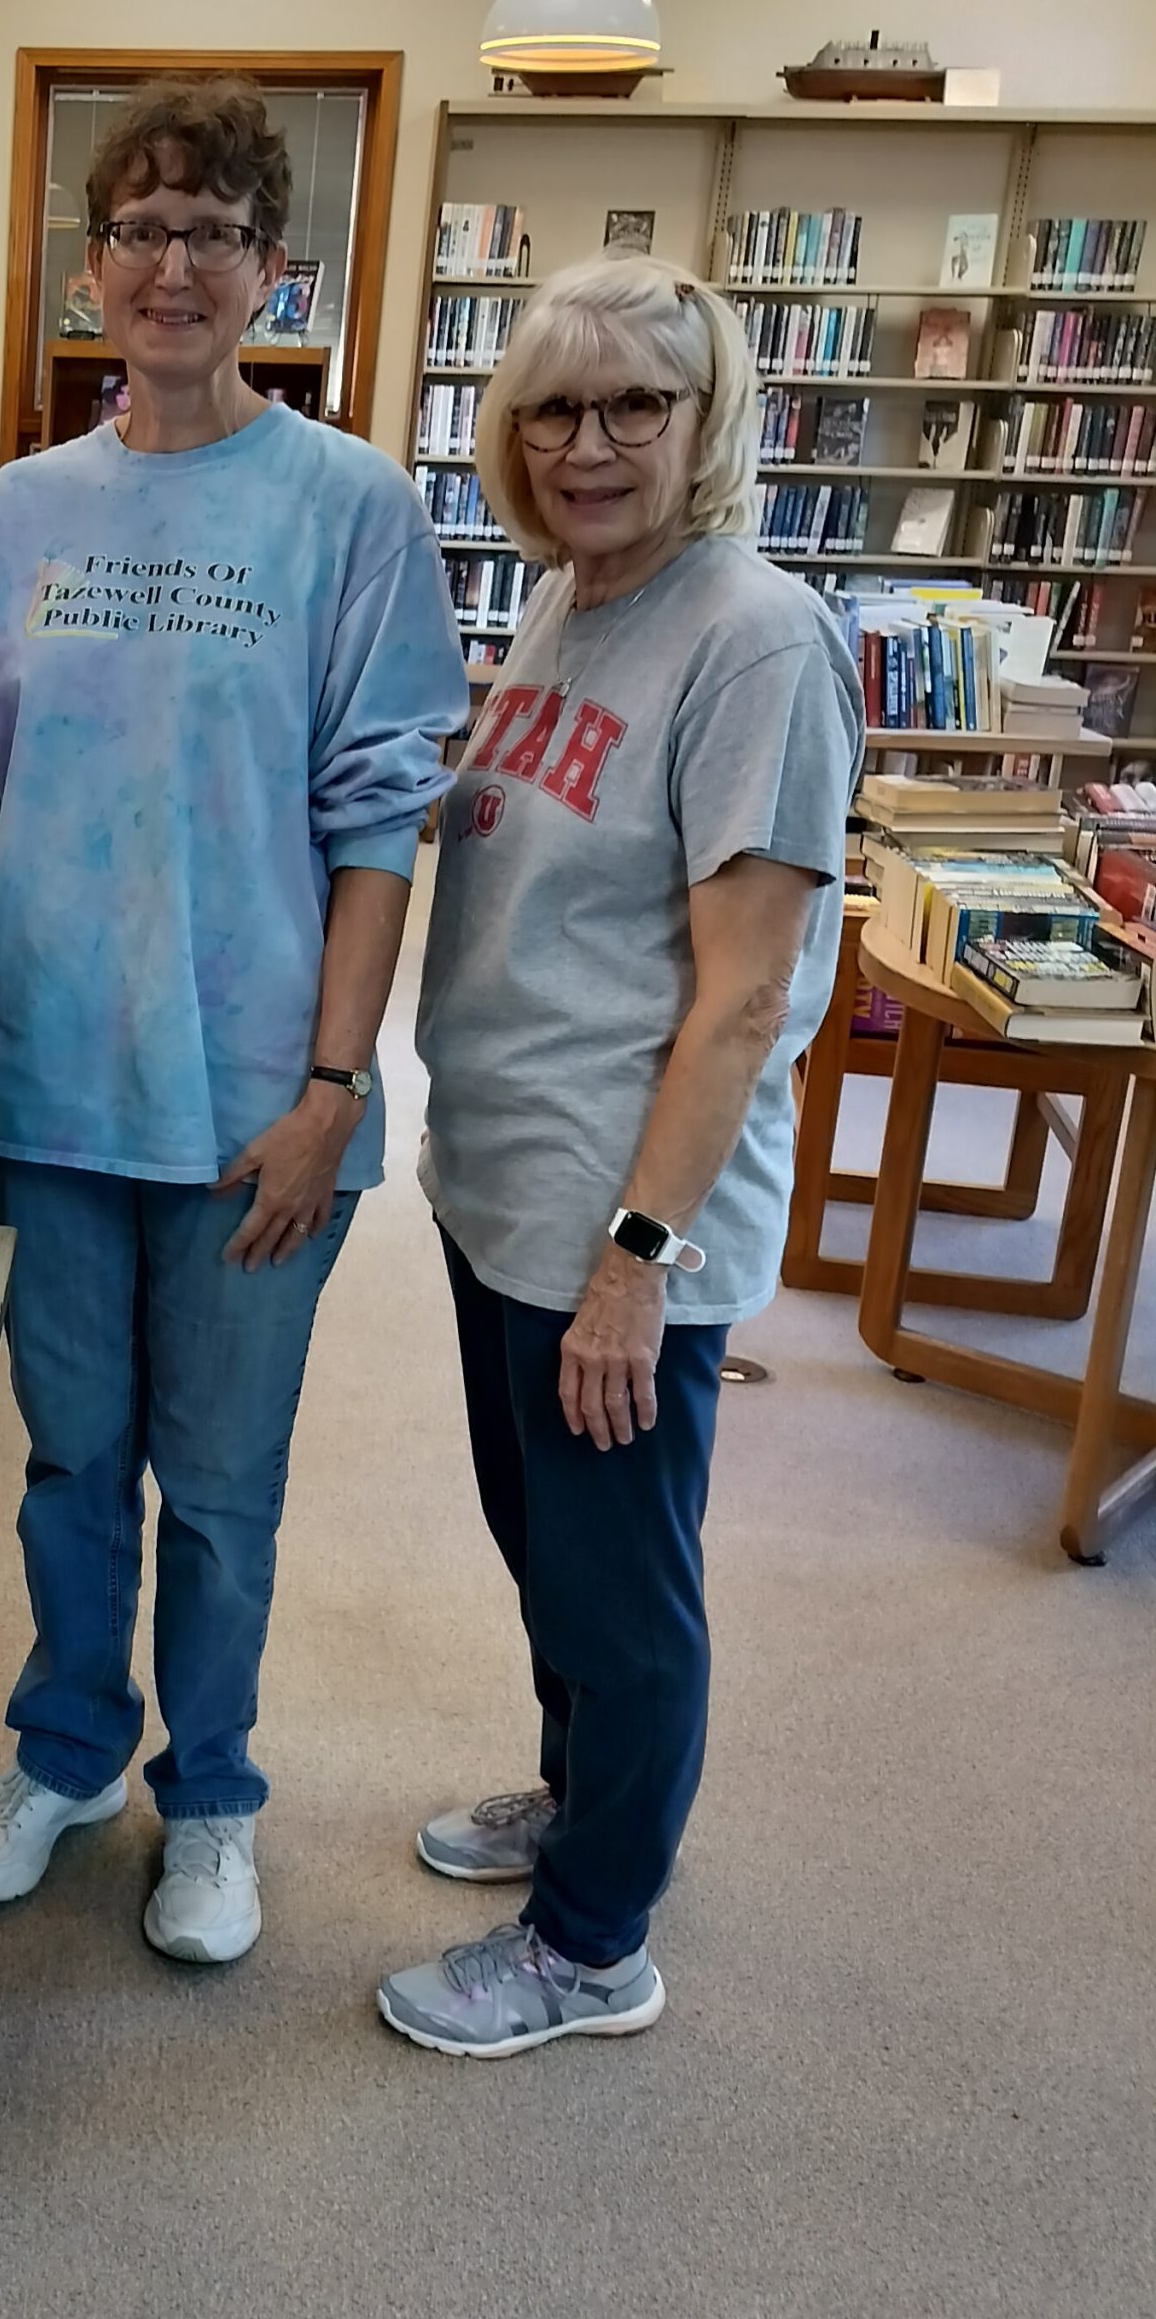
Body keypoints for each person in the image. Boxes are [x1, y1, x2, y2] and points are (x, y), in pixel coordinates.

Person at [0, 78, 466, 1966]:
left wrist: (333, 1089)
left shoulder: (349, 509)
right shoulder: (15, 516)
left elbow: (379, 824)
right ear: (90, 268)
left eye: (212, 232)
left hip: (250, 1108)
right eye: (138, 229)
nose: (171, 266)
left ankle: (210, 1798)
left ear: (272, 273)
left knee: (221, 1488)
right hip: (57, 1094)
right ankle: (65, 1751)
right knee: (70, 1469)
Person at [380, 254, 863, 2057]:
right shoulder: (573, 605)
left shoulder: (756, 637)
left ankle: (595, 1945)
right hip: (507, 1180)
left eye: (635, 406)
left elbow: (743, 998)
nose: (590, 445)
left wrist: (637, 1261)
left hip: (618, 1218)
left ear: (706, 419)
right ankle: (581, 1811)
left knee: (624, 1587)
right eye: (554, 410)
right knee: (548, 1548)